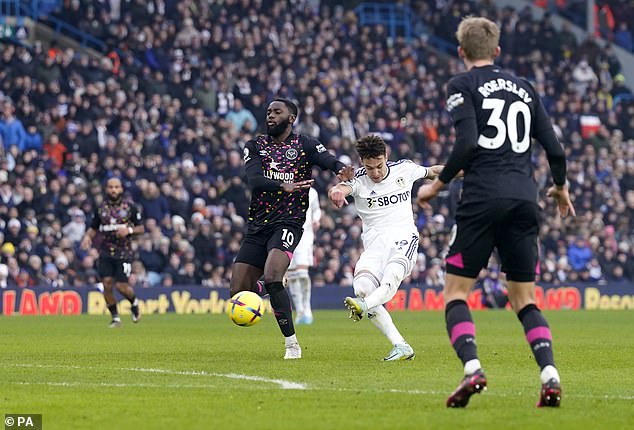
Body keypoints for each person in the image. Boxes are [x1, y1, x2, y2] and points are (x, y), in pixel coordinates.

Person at [416, 17, 576, 408]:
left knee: (455, 293)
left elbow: (468, 142)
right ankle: (550, 375)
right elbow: (555, 150)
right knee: (524, 299)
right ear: (498, 51)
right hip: (525, 197)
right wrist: (560, 186)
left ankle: (472, 369)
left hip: (483, 195)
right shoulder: (525, 88)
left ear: (461, 51)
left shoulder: (462, 84)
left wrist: (438, 184)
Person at [231, 98, 354, 359]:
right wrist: (282, 186)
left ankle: (292, 344)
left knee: (273, 277)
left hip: (288, 222)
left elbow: (327, 159)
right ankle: (273, 282)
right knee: (237, 295)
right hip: (258, 225)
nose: (271, 116)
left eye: (277, 111)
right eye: (268, 112)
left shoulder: (304, 144)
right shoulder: (255, 146)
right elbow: (253, 179)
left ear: (291, 117)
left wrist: (341, 169)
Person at [328, 135, 442, 361]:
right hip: (374, 246)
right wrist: (336, 193)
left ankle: (364, 305)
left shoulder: (405, 169)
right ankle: (401, 345)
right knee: (361, 286)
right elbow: (340, 188)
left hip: (403, 237)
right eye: (370, 168)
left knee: (391, 277)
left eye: (379, 166)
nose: (376, 172)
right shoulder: (358, 179)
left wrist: (465, 168)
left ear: (386, 157)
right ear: (362, 162)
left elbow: (433, 171)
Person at [80, 177, 145, 328]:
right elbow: (93, 227)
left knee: (121, 286)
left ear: (121, 189)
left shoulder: (130, 208)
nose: (113, 190)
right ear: (106, 189)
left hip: (124, 252)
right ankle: (115, 318)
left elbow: (141, 228)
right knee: (107, 285)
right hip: (105, 252)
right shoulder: (101, 209)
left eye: (116, 187)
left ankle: (134, 303)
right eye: (110, 187)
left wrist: (128, 230)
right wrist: (86, 237)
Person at [286, 186, 321, 325]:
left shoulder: (312, 192)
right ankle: (300, 311)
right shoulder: (284, 189)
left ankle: (307, 308)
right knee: (292, 275)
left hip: (305, 235)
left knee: (302, 273)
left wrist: (316, 219)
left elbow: (316, 209)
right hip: (287, 234)